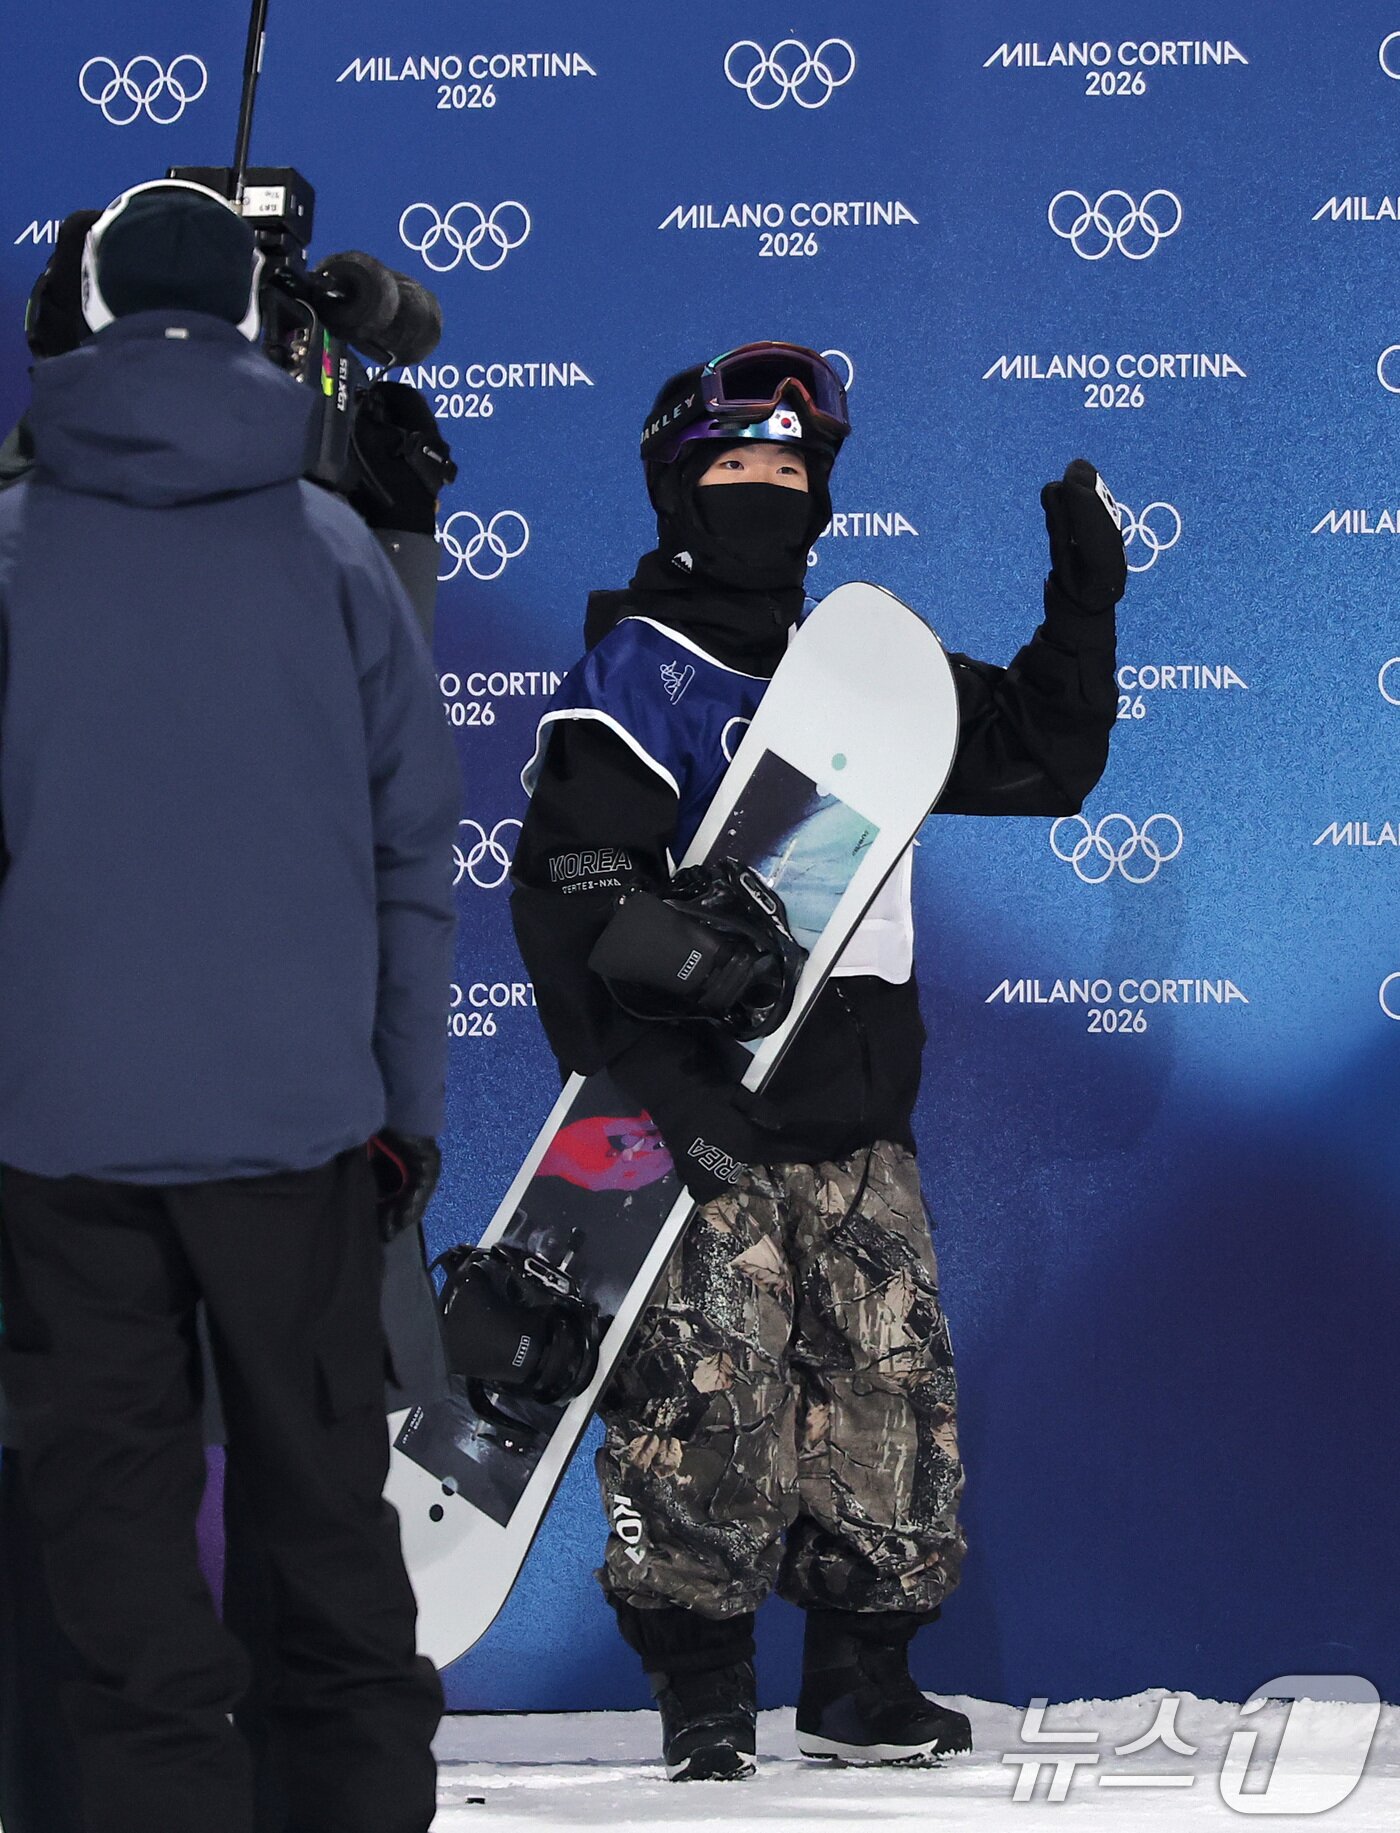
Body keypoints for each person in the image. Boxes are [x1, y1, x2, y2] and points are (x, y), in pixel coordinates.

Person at [509, 343, 1124, 1780]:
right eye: (737, 467)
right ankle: (705, 1693)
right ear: (678, 489)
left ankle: (860, 1681)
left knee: (887, 1400)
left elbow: (1044, 760)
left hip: (859, 1115)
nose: (767, 489)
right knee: (705, 1404)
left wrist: (1083, 604)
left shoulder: (863, 676)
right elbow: (571, 897)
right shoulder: (638, 673)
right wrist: (667, 1096)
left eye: (791, 470)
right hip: (700, 1114)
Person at [0, 180, 460, 1833]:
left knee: (114, 1561)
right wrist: (402, 1115)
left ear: (78, 314)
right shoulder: (336, 553)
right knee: (328, 1538)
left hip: (62, 1141)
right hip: (299, 1133)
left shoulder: (12, 553)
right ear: (261, 322)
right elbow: (412, 861)